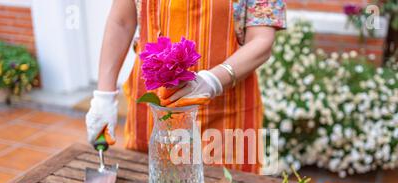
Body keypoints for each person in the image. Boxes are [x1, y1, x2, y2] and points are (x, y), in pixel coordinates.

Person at [86, 0, 286, 173]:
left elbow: (262, 39)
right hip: (152, 112)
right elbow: (121, 22)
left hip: (226, 116)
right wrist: (104, 95)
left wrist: (213, 81)